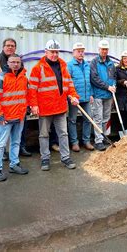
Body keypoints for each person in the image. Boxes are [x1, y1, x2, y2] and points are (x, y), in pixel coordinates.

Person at [29, 40, 79, 171]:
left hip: (60, 108)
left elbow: (69, 84)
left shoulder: (63, 66)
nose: (55, 54)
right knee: (44, 135)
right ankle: (45, 159)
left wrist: (74, 96)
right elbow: (32, 89)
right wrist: (33, 105)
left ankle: (65, 157)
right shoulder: (37, 68)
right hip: (45, 109)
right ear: (46, 52)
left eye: (57, 52)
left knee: (63, 134)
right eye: (52, 52)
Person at [0, 54, 30, 182]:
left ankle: (14, 164)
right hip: (4, 118)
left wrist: (25, 111)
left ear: (21, 63)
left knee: (16, 142)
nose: (15, 64)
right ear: (8, 63)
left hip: (19, 117)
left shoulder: (23, 78)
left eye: (18, 62)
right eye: (13, 62)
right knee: (0, 145)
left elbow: (25, 96)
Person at [0, 38, 32, 157]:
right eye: (8, 45)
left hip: (19, 105)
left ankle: (21, 148)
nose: (10, 47)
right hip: (4, 106)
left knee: (20, 131)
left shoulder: (18, 61)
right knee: (2, 133)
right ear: (3, 47)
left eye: (12, 46)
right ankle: (4, 154)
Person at [67, 42, 95, 151]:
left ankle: (86, 141)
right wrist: (71, 96)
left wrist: (91, 94)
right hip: (75, 98)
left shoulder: (87, 65)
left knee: (88, 119)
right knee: (72, 120)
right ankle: (74, 142)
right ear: (73, 53)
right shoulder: (69, 65)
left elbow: (89, 81)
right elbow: (67, 82)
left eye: (82, 51)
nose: (81, 53)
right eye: (78, 51)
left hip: (86, 97)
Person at [90, 40, 116, 151]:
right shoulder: (94, 62)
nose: (104, 51)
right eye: (102, 49)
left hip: (109, 95)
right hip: (98, 95)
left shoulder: (111, 63)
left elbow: (113, 76)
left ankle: (105, 136)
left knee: (106, 117)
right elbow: (94, 78)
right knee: (98, 118)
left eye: (106, 49)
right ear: (99, 49)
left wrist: (114, 85)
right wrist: (107, 87)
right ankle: (98, 140)